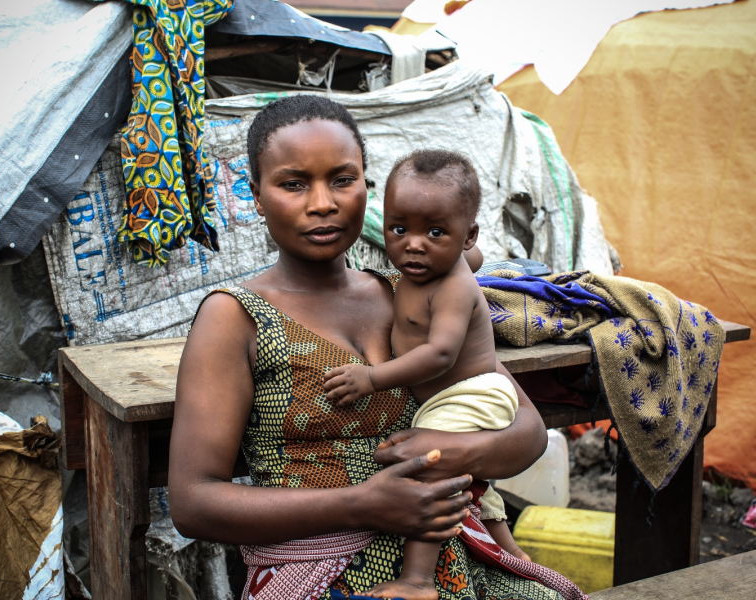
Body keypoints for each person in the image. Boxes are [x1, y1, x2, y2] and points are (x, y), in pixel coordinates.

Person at [168, 95, 567, 600]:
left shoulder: (409, 292)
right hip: (314, 576)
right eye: (294, 183)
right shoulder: (233, 317)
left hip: (450, 565)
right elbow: (192, 502)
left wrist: (445, 453)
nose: (323, 203)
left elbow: (526, 429)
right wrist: (362, 504)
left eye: (342, 179)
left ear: (366, 186)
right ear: (256, 194)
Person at [323, 150, 529, 600]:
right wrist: (455, 246)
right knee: (468, 480)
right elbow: (470, 257)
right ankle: (513, 553)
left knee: (431, 471)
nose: (414, 245)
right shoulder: (433, 268)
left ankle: (417, 580)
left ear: (466, 235)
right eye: (400, 229)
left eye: (435, 232)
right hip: (454, 396)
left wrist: (372, 379)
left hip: (472, 392)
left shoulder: (452, 285)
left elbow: (439, 354)